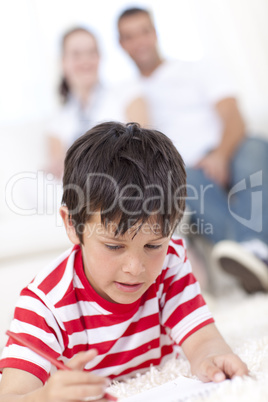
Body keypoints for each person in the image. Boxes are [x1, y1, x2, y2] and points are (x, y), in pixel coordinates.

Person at [0, 122, 248, 401]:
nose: (135, 267)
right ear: (72, 224)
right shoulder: (43, 305)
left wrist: (213, 359)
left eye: (153, 245)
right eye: (114, 246)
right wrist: (45, 397)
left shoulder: (171, 261)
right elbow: (11, 395)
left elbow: (204, 340)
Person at [117, 7, 268, 293]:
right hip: (185, 169)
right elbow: (141, 140)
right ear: (122, 44)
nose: (139, 42)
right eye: (129, 36)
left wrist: (220, 155)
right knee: (183, 184)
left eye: (144, 32)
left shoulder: (197, 68)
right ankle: (254, 253)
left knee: (256, 148)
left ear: (156, 33)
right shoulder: (129, 92)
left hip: (230, 148)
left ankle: (248, 251)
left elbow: (234, 117)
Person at [46, 26, 147, 179]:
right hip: (78, 189)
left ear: (100, 57)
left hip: (123, 181)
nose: (85, 60)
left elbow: (143, 149)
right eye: (76, 54)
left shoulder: (128, 95)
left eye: (91, 52)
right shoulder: (57, 121)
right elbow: (60, 171)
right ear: (63, 62)